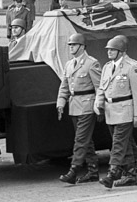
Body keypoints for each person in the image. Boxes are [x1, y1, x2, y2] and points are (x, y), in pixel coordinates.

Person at [94, 35, 137, 188]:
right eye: (108, 49)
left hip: (125, 110)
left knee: (118, 144)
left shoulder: (132, 66)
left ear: (121, 51)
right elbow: (102, 88)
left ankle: (113, 172)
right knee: (125, 145)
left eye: (113, 50)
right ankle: (130, 175)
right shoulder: (107, 67)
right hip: (111, 111)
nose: (109, 52)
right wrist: (99, 104)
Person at [56, 33, 102, 184]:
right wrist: (61, 102)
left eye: (74, 45)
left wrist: (99, 105)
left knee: (80, 139)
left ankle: (73, 170)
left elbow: (99, 87)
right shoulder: (69, 64)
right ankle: (93, 171)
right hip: (74, 105)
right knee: (86, 140)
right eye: (70, 45)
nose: (71, 47)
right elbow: (64, 86)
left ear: (82, 46)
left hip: (88, 105)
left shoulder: (91, 63)